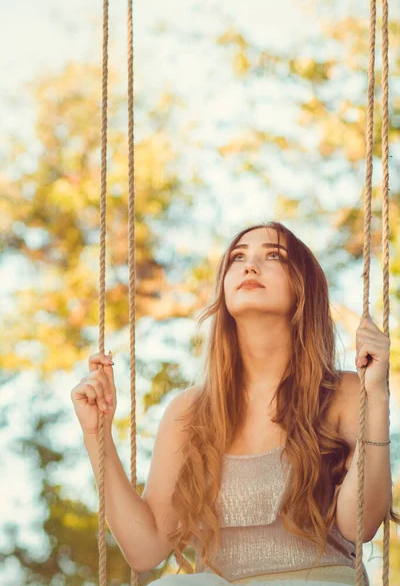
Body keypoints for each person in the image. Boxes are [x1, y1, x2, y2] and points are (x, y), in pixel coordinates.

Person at [71, 221, 393, 585]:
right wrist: (97, 435)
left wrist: (377, 398)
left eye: (274, 255)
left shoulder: (344, 391)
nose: (250, 265)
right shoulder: (188, 411)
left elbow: (362, 524)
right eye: (237, 257)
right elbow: (146, 550)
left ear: (304, 288)